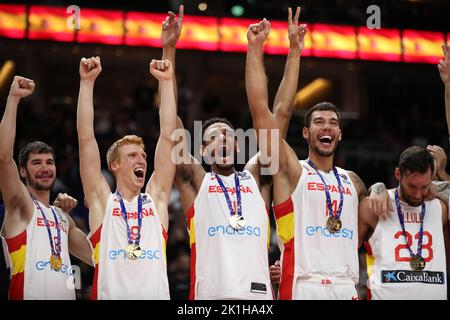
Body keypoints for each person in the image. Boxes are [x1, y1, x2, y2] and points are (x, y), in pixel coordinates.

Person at [161, 6, 307, 299]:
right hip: (210, 298)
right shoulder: (196, 181)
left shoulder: (258, 175)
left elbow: (281, 112)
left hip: (259, 298)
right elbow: (170, 121)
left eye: (228, 136)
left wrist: (291, 51)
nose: (223, 141)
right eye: (214, 138)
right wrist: (169, 48)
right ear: (203, 150)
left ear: (239, 145)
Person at [246, 18, 368, 300]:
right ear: (305, 132)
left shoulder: (354, 181)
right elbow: (267, 110)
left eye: (333, 123)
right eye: (319, 122)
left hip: (347, 287)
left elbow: (372, 224)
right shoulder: (292, 172)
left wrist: (376, 191)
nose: (327, 127)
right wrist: (281, 50)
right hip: (303, 284)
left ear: (340, 134)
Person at [76, 57, 177, 299]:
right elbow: (86, 139)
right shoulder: (103, 202)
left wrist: (165, 83)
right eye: (132, 156)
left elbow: (168, 138)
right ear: (115, 165)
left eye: (143, 155)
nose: (141, 160)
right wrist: (86, 83)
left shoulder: (157, 200)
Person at [0, 76, 93, 300]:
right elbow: (3, 157)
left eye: (49, 162)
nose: (45, 168)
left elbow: (97, 257)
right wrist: (13, 98)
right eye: (36, 163)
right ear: (22, 171)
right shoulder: (20, 207)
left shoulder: (63, 218)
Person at [358, 146, 449, 299]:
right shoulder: (373, 206)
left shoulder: (441, 207)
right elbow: (346, 250)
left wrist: (442, 172)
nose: (418, 194)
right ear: (397, 174)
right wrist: (376, 187)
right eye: (412, 186)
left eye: (424, 186)